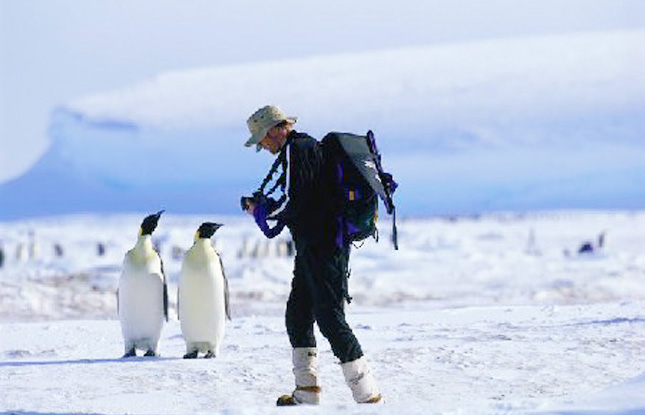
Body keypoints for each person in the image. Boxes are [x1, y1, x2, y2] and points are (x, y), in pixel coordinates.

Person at [242, 105, 382, 405]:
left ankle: (367, 395)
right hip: (312, 246)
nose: (263, 147)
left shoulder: (298, 149)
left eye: (263, 139)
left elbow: (294, 201)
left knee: (329, 317)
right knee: (298, 314)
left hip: (324, 246)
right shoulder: (302, 150)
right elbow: (304, 196)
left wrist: (262, 211)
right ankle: (307, 390)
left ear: (277, 129)